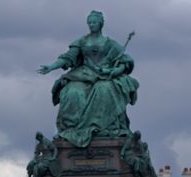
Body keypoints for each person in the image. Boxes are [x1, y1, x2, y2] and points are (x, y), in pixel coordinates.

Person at [36, 10, 139, 149]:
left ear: (101, 24)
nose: (91, 25)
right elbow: (67, 57)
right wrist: (51, 66)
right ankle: (70, 130)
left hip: (105, 76)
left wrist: (115, 71)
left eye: (94, 22)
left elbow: (124, 61)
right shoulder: (82, 41)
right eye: (89, 22)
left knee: (104, 89)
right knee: (71, 92)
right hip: (83, 75)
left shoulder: (110, 43)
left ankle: (102, 128)